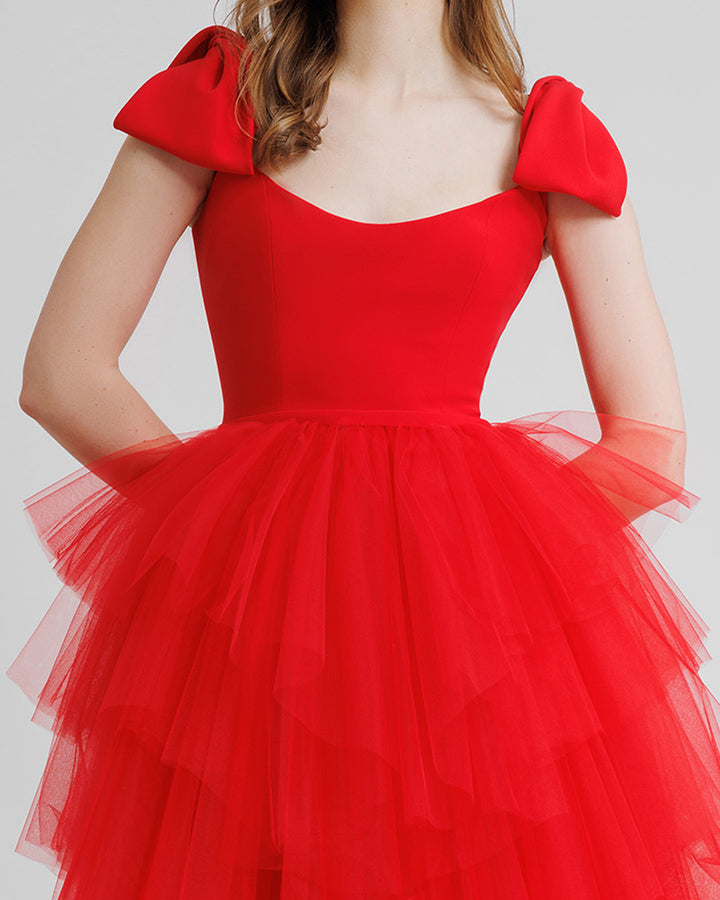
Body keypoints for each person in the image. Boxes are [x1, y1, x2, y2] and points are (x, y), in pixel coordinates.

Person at [8, 2, 720, 898]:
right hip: (258, 647)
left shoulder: (546, 140)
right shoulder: (222, 104)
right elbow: (63, 373)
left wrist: (482, 584)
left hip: (463, 664)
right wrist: (228, 553)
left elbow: (649, 446)